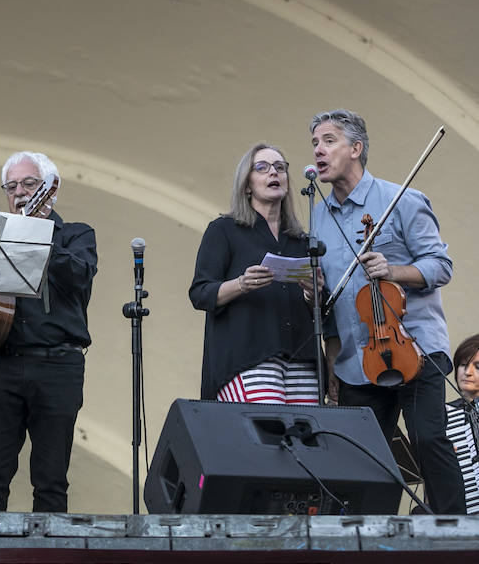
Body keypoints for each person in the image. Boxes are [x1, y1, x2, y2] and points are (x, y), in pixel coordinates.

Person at [309, 109, 466, 514]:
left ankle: (454, 533)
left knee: (429, 440)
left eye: (328, 141)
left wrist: (393, 270)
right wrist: (328, 348)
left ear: (356, 149)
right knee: (362, 459)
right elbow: (329, 299)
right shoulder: (318, 217)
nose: (318, 150)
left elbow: (440, 265)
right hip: (356, 359)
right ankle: (369, 545)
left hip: (413, 348)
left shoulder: (404, 200)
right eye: (314, 143)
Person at [0, 151, 98, 513]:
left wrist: (36, 234)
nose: (20, 193)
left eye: (29, 184)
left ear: (50, 190)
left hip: (59, 364)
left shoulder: (77, 234)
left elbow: (77, 276)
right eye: (11, 186)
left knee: (51, 479)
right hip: (1, 363)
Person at [189, 143, 317, 404]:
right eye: (262, 167)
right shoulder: (224, 230)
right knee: (267, 435)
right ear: (246, 185)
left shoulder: (301, 240)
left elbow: (320, 311)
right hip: (249, 359)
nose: (274, 173)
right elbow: (200, 293)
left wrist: (313, 293)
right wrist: (241, 284)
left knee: (308, 438)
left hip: (302, 359)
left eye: (280, 168)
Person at [443, 333, 479, 514]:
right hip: (462, 515)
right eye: (463, 365)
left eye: (477, 366)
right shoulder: (443, 415)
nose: (467, 372)